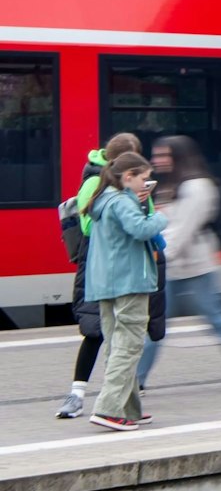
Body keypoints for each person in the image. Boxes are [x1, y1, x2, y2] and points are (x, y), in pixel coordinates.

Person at [136, 136, 221, 391]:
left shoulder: (196, 187)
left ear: (179, 157)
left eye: (163, 155)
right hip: (174, 269)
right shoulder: (167, 185)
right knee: (154, 324)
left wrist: (157, 258)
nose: (156, 160)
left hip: (196, 268)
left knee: (216, 320)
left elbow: (182, 230)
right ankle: (134, 379)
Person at [55, 132, 148, 418]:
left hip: (120, 267)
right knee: (102, 334)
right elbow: (93, 227)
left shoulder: (124, 189)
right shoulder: (97, 185)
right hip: (106, 267)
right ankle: (86, 398)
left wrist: (141, 201)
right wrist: (139, 209)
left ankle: (128, 406)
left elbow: (141, 217)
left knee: (121, 337)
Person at [86, 153, 172, 431]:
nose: (146, 183)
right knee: (130, 345)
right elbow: (140, 229)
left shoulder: (104, 199)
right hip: (129, 280)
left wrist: (139, 202)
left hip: (106, 282)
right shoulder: (121, 201)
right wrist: (160, 217)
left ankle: (129, 408)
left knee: (117, 346)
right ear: (128, 177)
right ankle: (108, 408)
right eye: (143, 178)